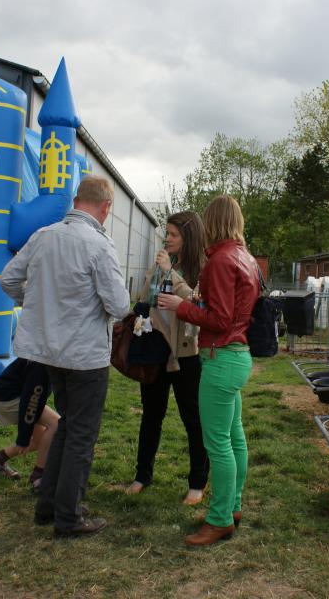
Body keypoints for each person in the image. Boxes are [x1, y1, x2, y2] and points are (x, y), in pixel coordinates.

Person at [0, 174, 129, 537]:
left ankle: (49, 506)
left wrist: (35, 300)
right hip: (85, 356)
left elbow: (8, 280)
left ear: (75, 201)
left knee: (68, 426)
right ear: (106, 207)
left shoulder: (43, 236)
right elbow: (119, 305)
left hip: (49, 353)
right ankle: (69, 516)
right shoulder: (99, 244)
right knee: (81, 435)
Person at [158, 195, 261, 546]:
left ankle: (219, 519)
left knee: (217, 442)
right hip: (238, 354)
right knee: (234, 437)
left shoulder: (220, 260)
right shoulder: (245, 257)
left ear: (213, 222)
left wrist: (182, 306)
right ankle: (232, 506)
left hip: (220, 356)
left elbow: (219, 319)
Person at [126, 211, 210, 505]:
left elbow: (198, 304)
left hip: (187, 354)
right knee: (151, 414)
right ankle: (142, 475)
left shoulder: (202, 268)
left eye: (174, 235)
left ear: (189, 237)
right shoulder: (161, 263)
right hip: (155, 350)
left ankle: (197, 482)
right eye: (167, 234)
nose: (167, 239)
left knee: (192, 418)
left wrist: (170, 274)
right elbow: (146, 300)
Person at [0, 357, 61, 490]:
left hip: (10, 393)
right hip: (11, 398)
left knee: (39, 440)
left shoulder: (45, 354)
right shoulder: (41, 364)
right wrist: (23, 438)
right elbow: (31, 401)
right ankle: (38, 478)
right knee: (56, 424)